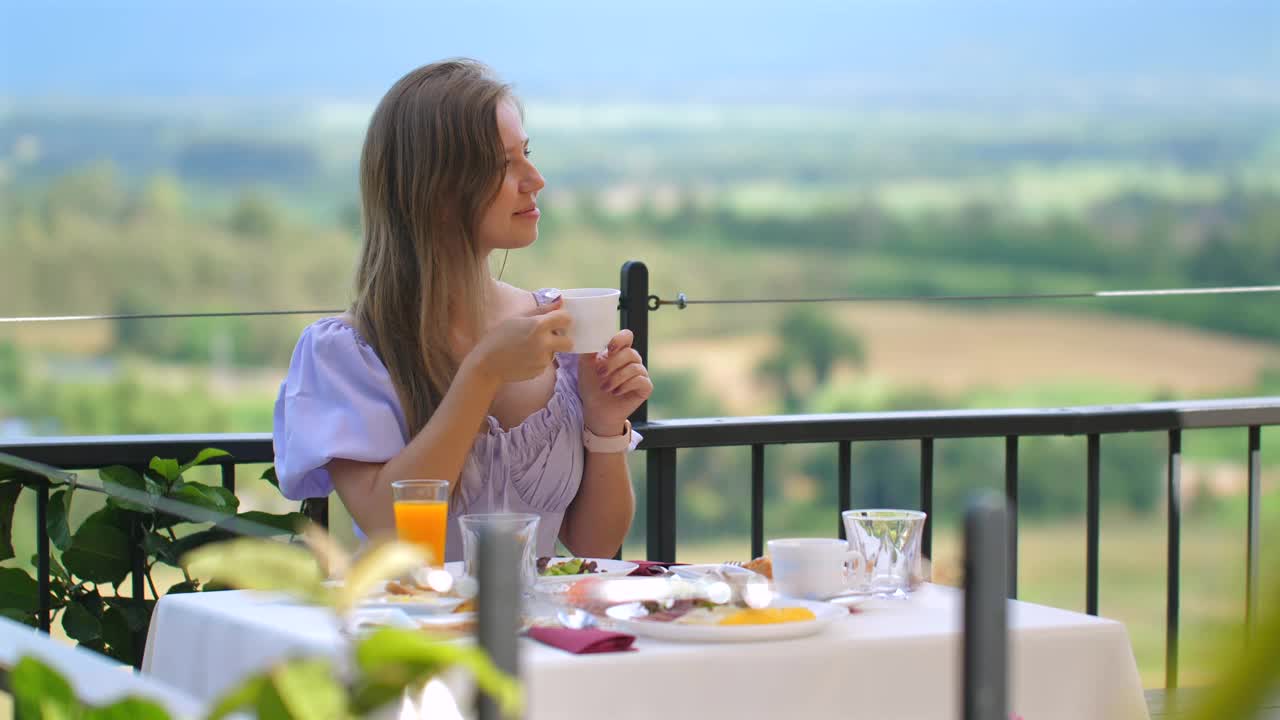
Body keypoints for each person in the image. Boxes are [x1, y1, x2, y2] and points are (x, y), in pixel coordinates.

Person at [271, 59, 651, 562]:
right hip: (413, 635)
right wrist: (483, 372)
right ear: (438, 190)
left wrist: (604, 424)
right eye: (503, 165)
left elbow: (593, 545)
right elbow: (392, 531)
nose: (534, 180)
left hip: (539, 637)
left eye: (527, 155)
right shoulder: (351, 353)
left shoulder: (553, 332)